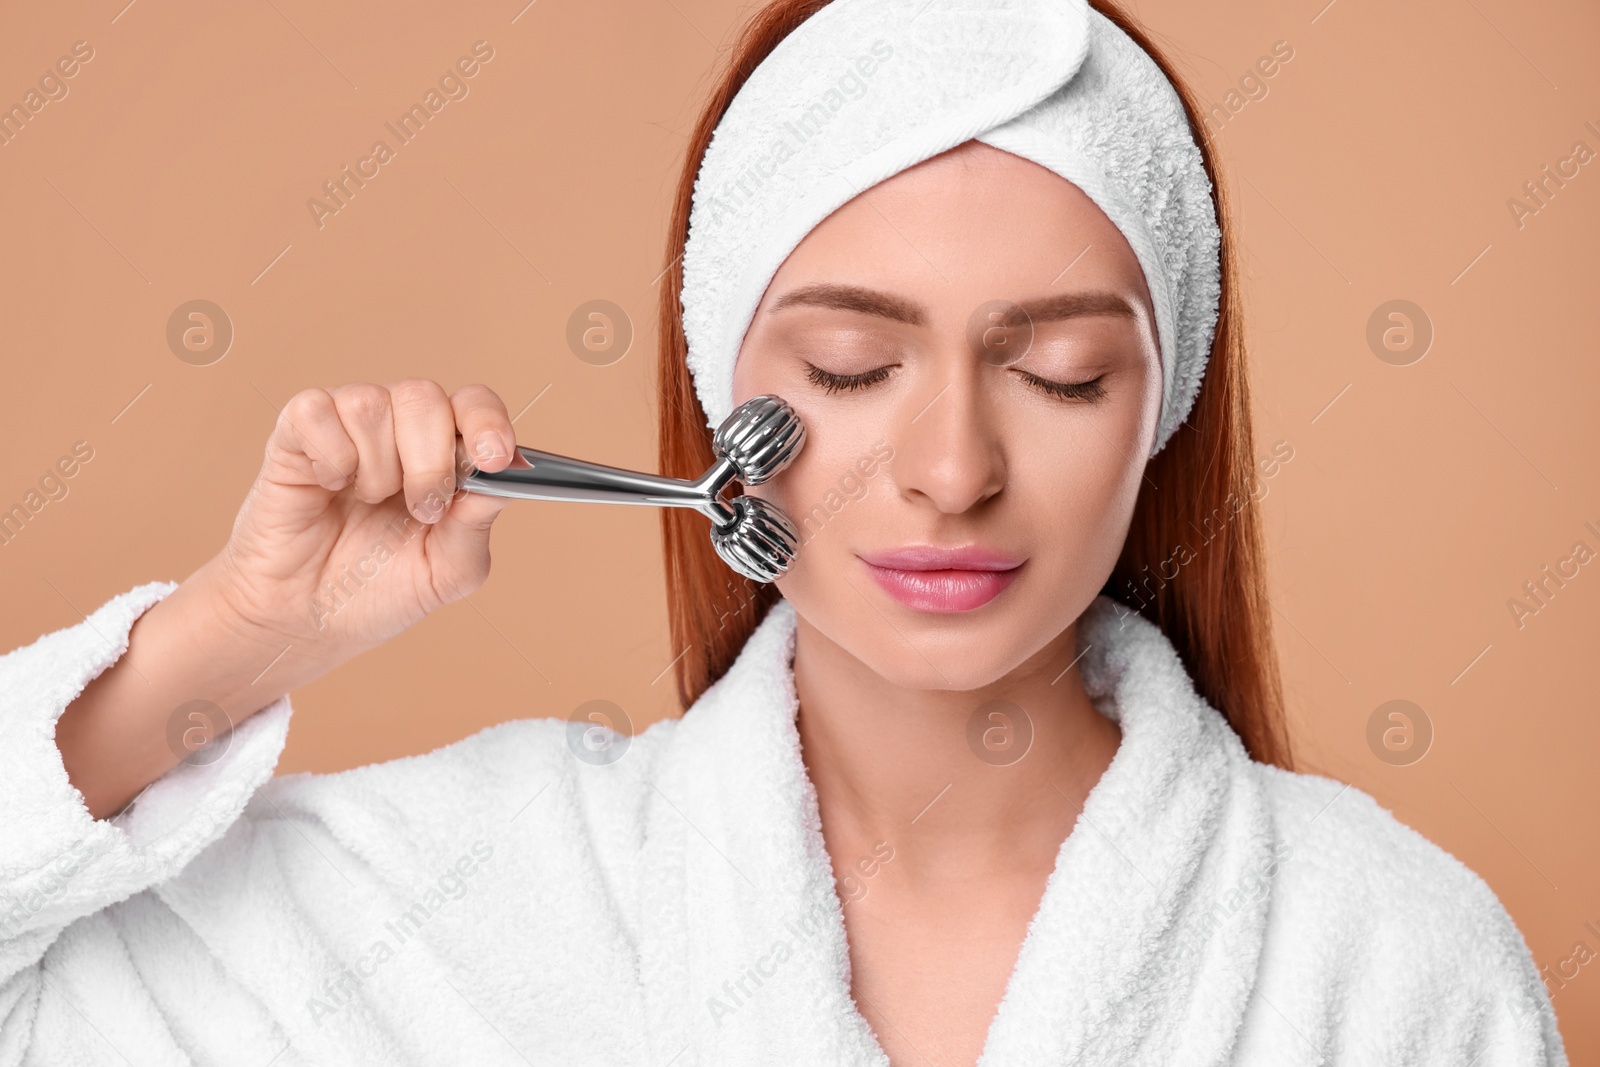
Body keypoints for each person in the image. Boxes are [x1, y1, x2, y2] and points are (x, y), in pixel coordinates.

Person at [0, 0, 1567, 1063]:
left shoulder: (1387, 960)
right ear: (719, 402)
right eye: (849, 370)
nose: (952, 466)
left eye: (1061, 373)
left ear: (1163, 411)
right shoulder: (463, 903)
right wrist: (230, 644)